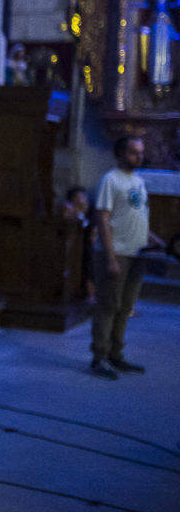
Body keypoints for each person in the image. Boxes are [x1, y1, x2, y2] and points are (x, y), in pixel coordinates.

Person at [89, 136, 163, 380]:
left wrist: (155, 239)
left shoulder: (139, 182)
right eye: (133, 152)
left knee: (125, 307)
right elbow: (102, 218)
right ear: (120, 153)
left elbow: (136, 216)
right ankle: (99, 357)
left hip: (136, 253)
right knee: (108, 306)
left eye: (140, 152)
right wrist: (110, 257)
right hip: (115, 253)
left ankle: (116, 355)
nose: (139, 156)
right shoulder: (110, 180)